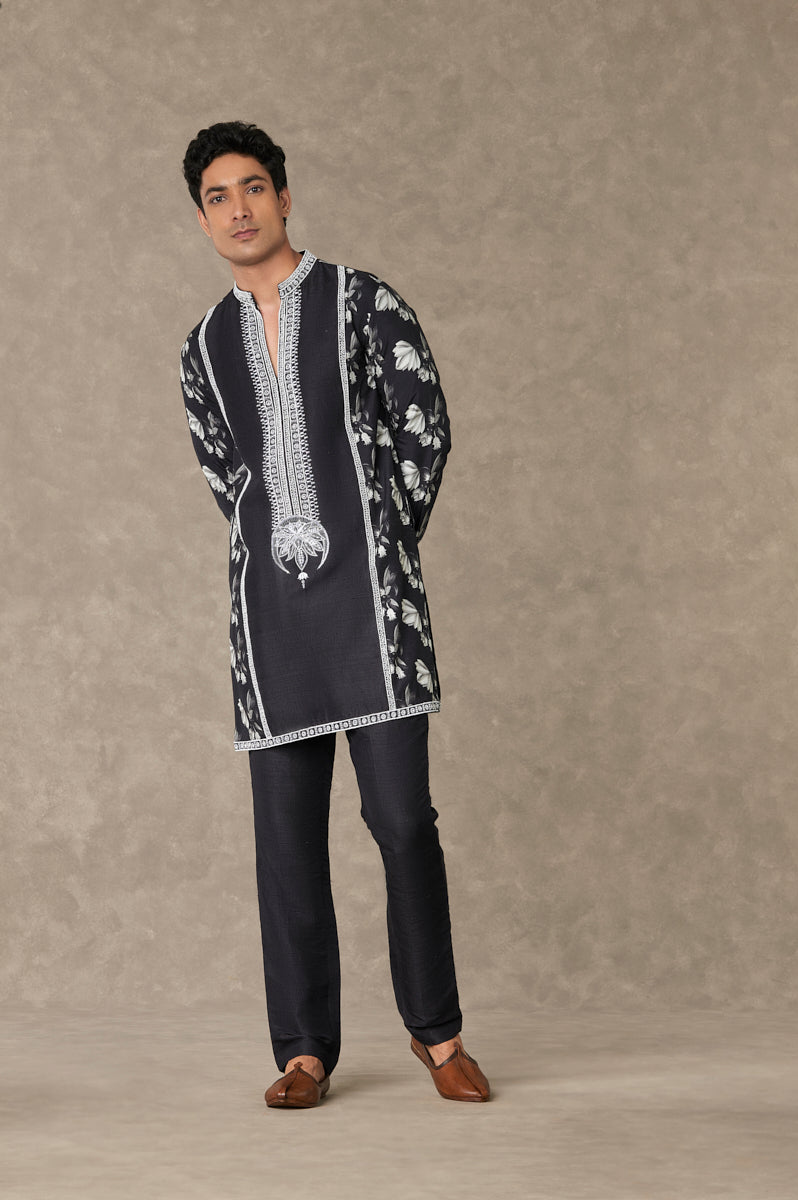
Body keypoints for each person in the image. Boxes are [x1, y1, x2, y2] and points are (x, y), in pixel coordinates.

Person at [179, 121, 490, 1107]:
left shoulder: (364, 301)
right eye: (218, 197)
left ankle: (436, 1034)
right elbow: (227, 476)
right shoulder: (202, 348)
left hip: (374, 607)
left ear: (283, 197)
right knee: (285, 838)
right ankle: (304, 1051)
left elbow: (424, 425)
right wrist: (278, 546)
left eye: (253, 187)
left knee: (401, 821)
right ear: (203, 220)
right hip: (271, 618)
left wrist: (380, 544)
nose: (238, 209)